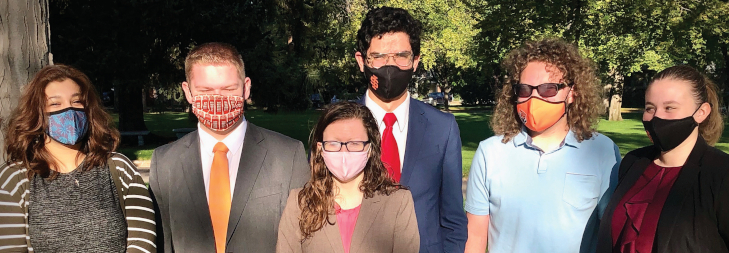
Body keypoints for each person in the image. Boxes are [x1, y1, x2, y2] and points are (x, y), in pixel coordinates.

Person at [149, 42, 310, 253]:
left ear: (246, 87)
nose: (218, 99)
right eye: (205, 90)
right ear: (188, 92)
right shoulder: (164, 163)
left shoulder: (288, 156)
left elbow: (305, 238)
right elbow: (162, 242)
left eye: (228, 89)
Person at [464, 38, 622, 253]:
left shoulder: (602, 151)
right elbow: (475, 234)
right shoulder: (490, 152)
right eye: (524, 89)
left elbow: (611, 234)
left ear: (572, 93)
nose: (534, 97)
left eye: (549, 89)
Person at [596, 65, 729, 253]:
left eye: (669, 108)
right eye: (650, 108)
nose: (657, 117)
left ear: (701, 112)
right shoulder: (634, 162)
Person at [0, 64, 156, 253]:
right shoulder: (15, 179)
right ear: (37, 114)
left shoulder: (120, 168)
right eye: (55, 104)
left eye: (77, 102)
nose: (69, 110)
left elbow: (143, 244)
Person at [354, 7, 468, 252]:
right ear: (362, 61)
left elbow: (453, 219)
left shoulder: (442, 129)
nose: (390, 66)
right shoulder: (335, 126)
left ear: (415, 61)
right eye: (379, 56)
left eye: (401, 56)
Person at [276, 102, 420, 253]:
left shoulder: (398, 202)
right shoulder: (300, 203)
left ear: (370, 149)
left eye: (355, 143)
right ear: (321, 149)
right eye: (334, 143)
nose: (344, 151)